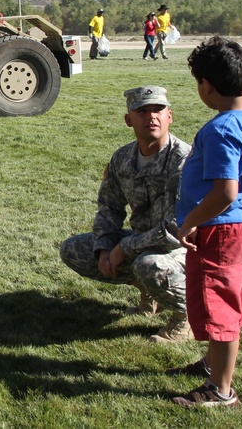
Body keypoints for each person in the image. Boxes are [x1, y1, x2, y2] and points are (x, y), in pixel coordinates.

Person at [167, 37, 242, 408]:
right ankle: (213, 365)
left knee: (220, 306)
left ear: (207, 86)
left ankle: (221, 390)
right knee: (228, 297)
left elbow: (226, 192)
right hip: (239, 228)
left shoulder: (220, 129)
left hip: (219, 230)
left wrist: (191, 223)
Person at [60, 85, 192, 342]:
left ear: (170, 116)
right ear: (128, 120)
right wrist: (105, 248)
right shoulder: (123, 158)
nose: (152, 117)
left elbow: (176, 229)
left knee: (149, 264)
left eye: (158, 110)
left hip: (184, 249)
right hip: (143, 242)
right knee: (73, 250)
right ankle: (151, 295)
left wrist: (126, 248)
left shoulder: (183, 160)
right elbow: (109, 206)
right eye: (142, 111)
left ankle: (188, 315)